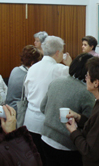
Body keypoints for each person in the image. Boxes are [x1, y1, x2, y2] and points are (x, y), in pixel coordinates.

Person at [40, 53, 95, 166]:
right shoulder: (86, 92)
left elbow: (42, 107)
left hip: (46, 137)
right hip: (67, 144)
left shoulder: (56, 82)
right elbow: (89, 123)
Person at [24, 36, 72, 165]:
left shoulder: (33, 67)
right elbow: (76, 79)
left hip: (30, 120)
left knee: (33, 158)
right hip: (46, 123)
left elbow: (27, 92)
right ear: (57, 53)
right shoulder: (59, 69)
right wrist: (70, 64)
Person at [6, 45, 42, 112]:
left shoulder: (15, 70)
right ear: (32, 63)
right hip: (19, 112)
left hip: (8, 108)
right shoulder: (28, 77)